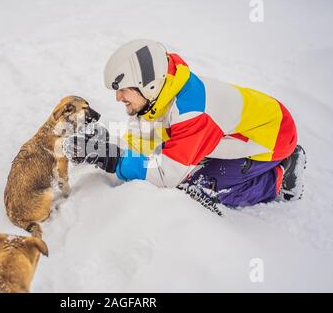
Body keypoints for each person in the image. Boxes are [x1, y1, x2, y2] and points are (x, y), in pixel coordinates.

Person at [64, 39, 306, 208]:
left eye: (123, 90)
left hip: (274, 136)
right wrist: (107, 142)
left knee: (199, 186)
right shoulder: (163, 91)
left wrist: (112, 159)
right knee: (177, 153)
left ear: (146, 84)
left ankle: (278, 177)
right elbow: (145, 137)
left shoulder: (191, 114)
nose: (118, 97)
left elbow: (167, 175)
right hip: (249, 123)